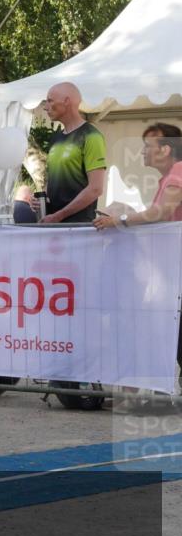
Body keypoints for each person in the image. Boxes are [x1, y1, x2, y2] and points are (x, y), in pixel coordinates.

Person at [94, 123, 182, 384]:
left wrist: (119, 219)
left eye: (148, 146)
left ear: (166, 149)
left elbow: (161, 213)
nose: (142, 152)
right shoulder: (168, 177)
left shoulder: (178, 172)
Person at [36, 82, 107, 224]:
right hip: (53, 223)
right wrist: (43, 200)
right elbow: (55, 182)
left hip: (78, 227)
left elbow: (95, 189)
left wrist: (59, 215)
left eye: (50, 101)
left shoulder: (91, 136)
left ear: (66, 101)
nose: (45, 107)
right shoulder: (56, 137)